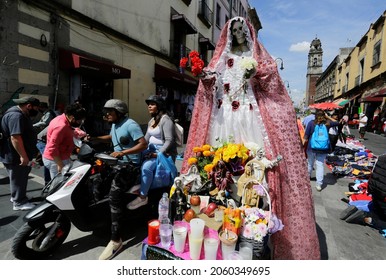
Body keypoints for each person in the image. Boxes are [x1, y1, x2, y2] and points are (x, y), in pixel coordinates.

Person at [181, 16, 320, 259]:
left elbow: (272, 79)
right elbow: (211, 81)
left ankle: (253, 218)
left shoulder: (257, 55)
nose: (237, 33)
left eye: (240, 29)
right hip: (223, 117)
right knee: (218, 163)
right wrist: (203, 74)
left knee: (253, 164)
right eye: (233, 30)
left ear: (248, 31)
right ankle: (220, 215)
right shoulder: (221, 57)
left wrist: (257, 71)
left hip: (250, 113)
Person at [89, 99, 147, 260]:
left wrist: (123, 153)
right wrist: (96, 139)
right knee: (95, 182)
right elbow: (112, 137)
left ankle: (116, 240)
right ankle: (102, 220)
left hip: (129, 166)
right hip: (116, 163)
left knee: (114, 197)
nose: (106, 114)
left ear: (119, 112)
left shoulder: (131, 124)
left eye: (110, 111)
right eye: (105, 111)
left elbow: (143, 144)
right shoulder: (115, 125)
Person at [127, 95, 177, 210]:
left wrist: (158, 153)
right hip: (151, 150)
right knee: (133, 161)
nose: (149, 106)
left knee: (146, 167)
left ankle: (143, 197)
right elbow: (146, 138)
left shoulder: (166, 120)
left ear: (159, 106)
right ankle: (141, 184)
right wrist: (137, 149)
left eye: (152, 104)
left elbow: (169, 140)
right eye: (149, 104)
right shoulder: (152, 121)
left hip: (163, 153)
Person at [0, 96, 40, 210]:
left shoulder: (19, 114)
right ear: (29, 106)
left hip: (16, 154)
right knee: (18, 178)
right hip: (15, 155)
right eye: (36, 108)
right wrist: (23, 156)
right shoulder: (16, 116)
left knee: (19, 178)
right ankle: (19, 202)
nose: (36, 111)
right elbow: (15, 137)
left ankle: (18, 196)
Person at [43, 103, 86, 179]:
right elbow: (52, 148)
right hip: (55, 160)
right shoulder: (61, 126)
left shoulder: (63, 119)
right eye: (80, 121)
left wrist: (79, 133)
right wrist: (60, 165)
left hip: (61, 156)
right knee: (59, 186)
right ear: (72, 118)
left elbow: (70, 130)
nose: (80, 123)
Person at [304, 110, 339, 191]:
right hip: (323, 148)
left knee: (310, 163)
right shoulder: (327, 123)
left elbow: (306, 137)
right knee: (320, 165)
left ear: (315, 116)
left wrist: (302, 146)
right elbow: (337, 122)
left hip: (311, 147)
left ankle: (307, 178)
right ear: (324, 115)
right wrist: (328, 117)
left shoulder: (311, 123)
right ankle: (319, 184)